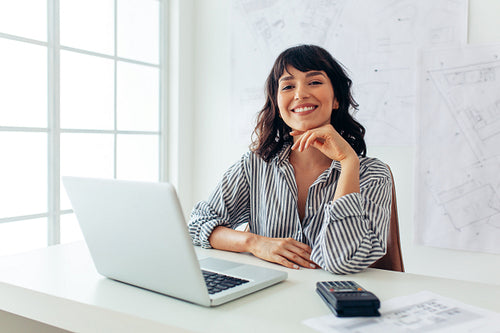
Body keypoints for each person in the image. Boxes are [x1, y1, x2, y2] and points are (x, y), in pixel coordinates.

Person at [189, 44, 392, 274]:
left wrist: (348, 162)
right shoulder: (255, 165)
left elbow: (342, 261)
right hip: (267, 297)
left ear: (336, 99)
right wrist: (254, 243)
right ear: (276, 104)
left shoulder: (372, 174)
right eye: (287, 86)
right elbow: (197, 225)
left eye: (314, 82)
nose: (300, 94)